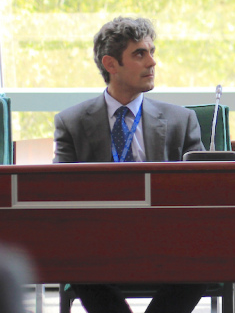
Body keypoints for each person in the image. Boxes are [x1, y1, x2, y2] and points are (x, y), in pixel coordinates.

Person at [53, 16, 206, 313]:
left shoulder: (181, 120)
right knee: (76, 259)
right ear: (110, 64)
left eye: (152, 51)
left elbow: (200, 189)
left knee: (205, 261)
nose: (152, 62)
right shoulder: (71, 123)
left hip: (166, 238)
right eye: (140, 54)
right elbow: (62, 192)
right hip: (99, 240)